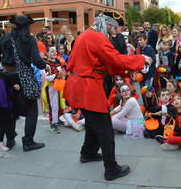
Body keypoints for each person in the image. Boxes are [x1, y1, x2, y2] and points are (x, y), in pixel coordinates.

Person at [63, 13, 153, 181]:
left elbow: (102, 65)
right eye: (117, 28)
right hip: (87, 86)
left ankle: (88, 153)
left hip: (79, 84)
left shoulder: (87, 35)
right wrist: (140, 60)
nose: (117, 33)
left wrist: (126, 68)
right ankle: (111, 169)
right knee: (104, 127)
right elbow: (115, 59)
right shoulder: (97, 37)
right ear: (109, 25)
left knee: (91, 122)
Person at [0, 15, 50, 152]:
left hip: (6, 76)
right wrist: (45, 66)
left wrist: (4, 64)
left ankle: (10, 139)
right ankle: (28, 141)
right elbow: (36, 60)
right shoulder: (29, 39)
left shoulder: (5, 37)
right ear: (26, 26)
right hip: (22, 76)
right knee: (31, 109)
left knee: (10, 109)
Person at [43, 46, 66, 134]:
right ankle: (53, 123)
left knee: (60, 103)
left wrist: (63, 74)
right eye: (52, 51)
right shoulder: (45, 63)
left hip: (59, 85)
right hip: (51, 86)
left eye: (55, 51)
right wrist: (57, 76)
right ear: (47, 53)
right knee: (53, 105)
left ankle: (57, 119)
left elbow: (61, 71)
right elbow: (47, 77)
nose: (55, 53)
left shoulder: (57, 61)